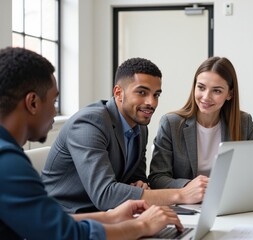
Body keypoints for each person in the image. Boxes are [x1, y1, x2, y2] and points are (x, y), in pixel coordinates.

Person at [0, 47, 183, 239]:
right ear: (33, 103)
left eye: (156, 95)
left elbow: (46, 222)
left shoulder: (9, 157)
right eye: (54, 101)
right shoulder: (8, 163)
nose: (55, 112)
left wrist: (110, 217)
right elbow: (66, 233)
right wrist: (143, 225)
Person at [41, 57, 206, 214]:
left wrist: (141, 185)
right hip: (64, 220)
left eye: (156, 95)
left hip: (110, 214)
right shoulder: (89, 123)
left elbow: (138, 178)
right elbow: (105, 194)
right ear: (118, 93)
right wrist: (182, 194)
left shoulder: (140, 128)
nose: (152, 102)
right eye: (142, 92)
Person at [148, 56, 253, 189]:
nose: (206, 97)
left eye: (217, 91)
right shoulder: (171, 124)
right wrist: (190, 186)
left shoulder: (244, 122)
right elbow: (157, 178)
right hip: (186, 205)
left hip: (231, 203)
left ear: (229, 94)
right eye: (201, 88)